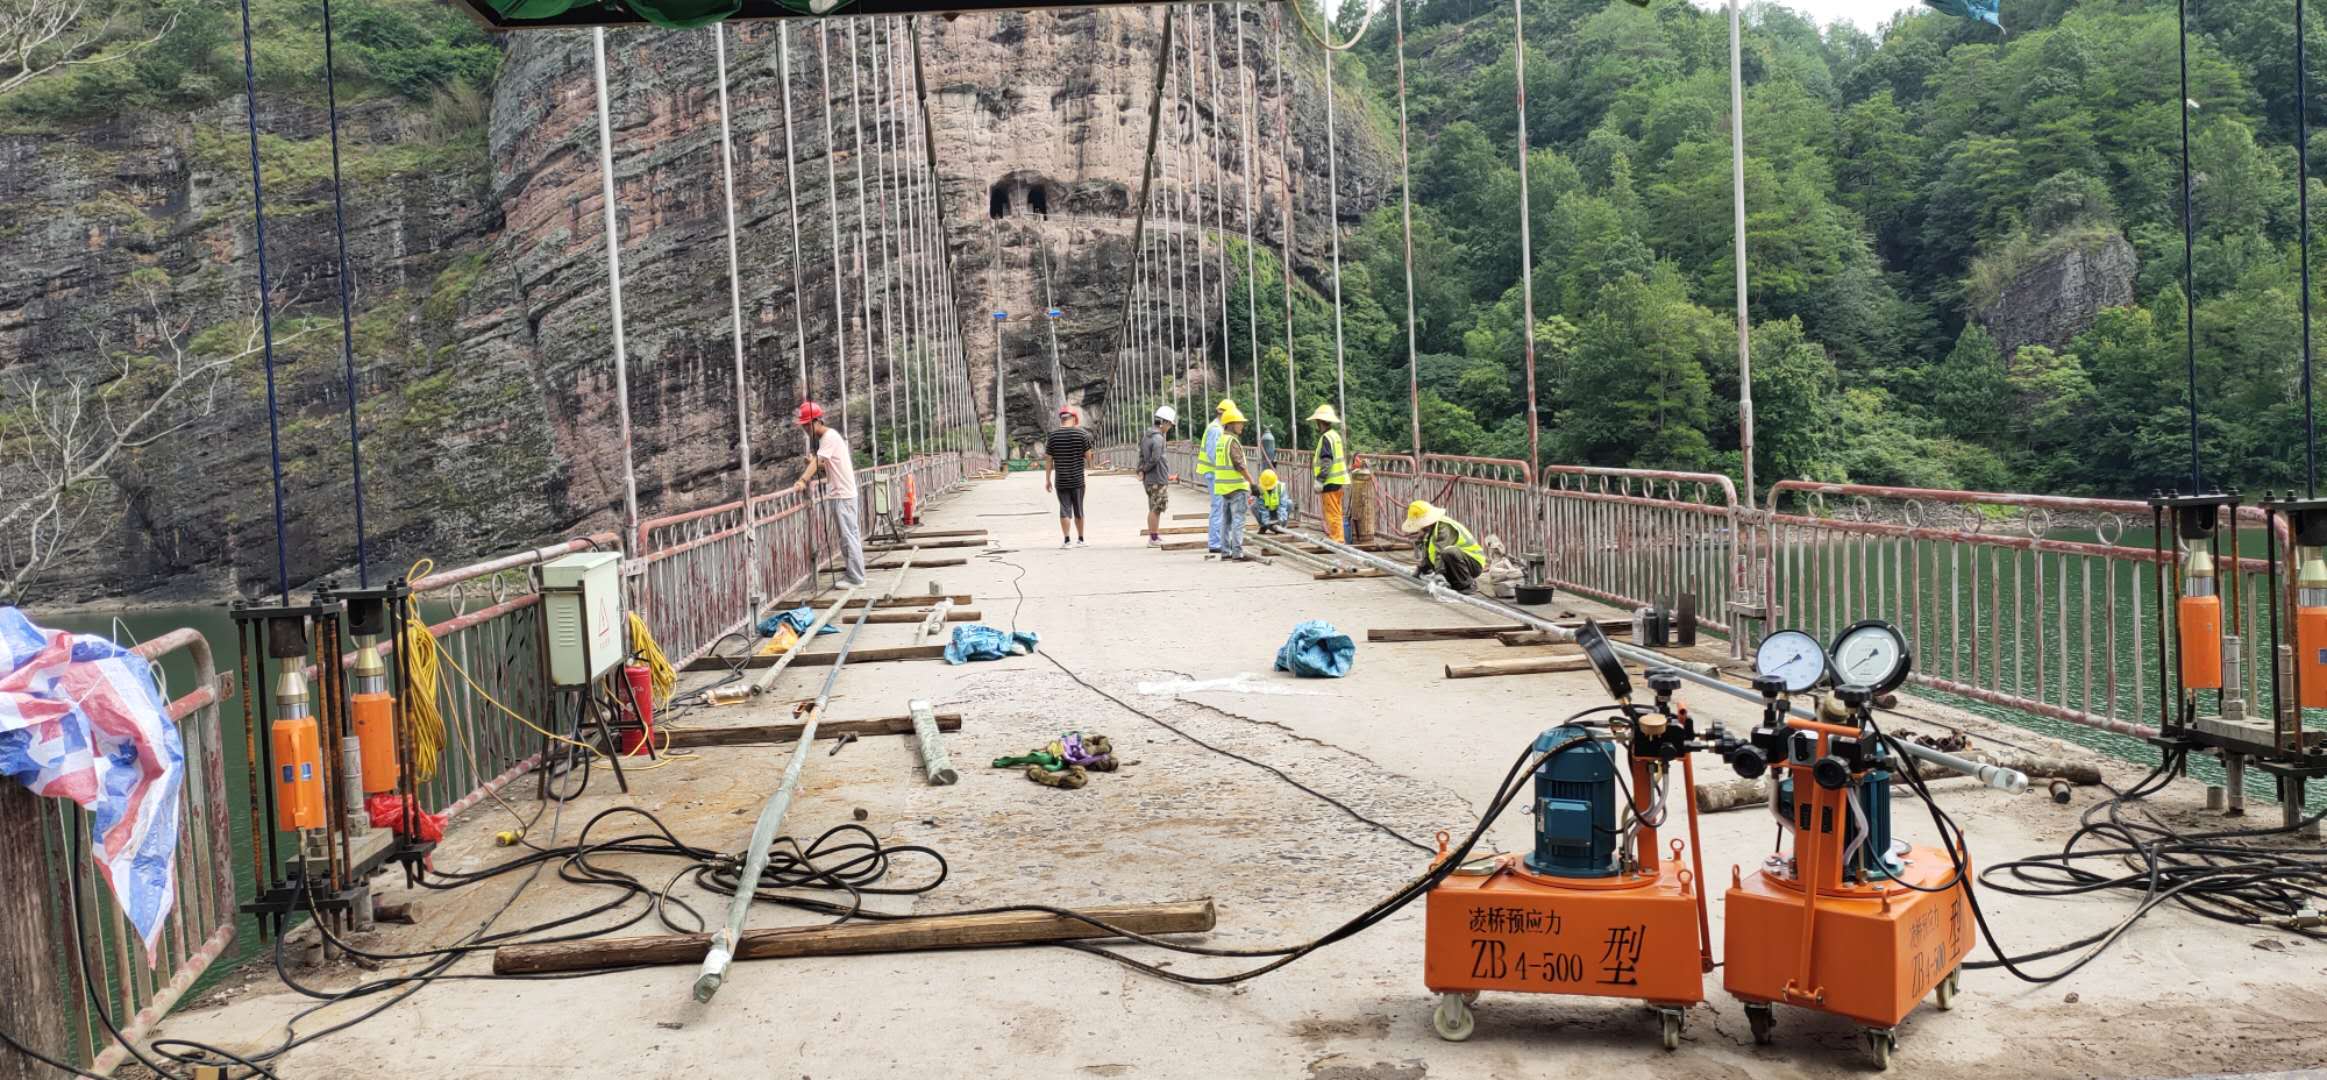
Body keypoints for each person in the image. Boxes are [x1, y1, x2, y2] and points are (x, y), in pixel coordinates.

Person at [791, 401, 864, 586]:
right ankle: (853, 575)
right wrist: (814, 463)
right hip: (843, 494)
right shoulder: (829, 438)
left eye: (807, 425)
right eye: (804, 426)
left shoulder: (829, 437)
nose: (806, 429)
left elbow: (818, 462)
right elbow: (826, 464)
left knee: (849, 537)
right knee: (848, 536)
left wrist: (802, 480)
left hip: (843, 495)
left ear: (817, 421)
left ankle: (856, 577)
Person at [1399, 500, 1486, 594]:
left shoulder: (1445, 527)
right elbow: (1430, 553)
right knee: (1447, 555)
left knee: (1449, 552)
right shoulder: (1431, 530)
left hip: (1472, 563)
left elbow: (1440, 551)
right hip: (1458, 565)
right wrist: (1421, 568)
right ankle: (1457, 584)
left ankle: (1468, 585)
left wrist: (1439, 573)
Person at [1210, 402, 1260, 561]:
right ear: (1231, 424)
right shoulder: (1232, 442)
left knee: (1226, 521)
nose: (1242, 426)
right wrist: (1252, 483)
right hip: (1237, 487)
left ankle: (1225, 552)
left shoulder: (1221, 441)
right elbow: (1239, 465)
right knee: (1238, 521)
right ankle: (1237, 553)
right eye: (1239, 423)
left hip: (1224, 488)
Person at [1043, 405, 1095, 547]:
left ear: (1061, 419)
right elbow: (1089, 458)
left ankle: (1067, 541)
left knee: (1064, 509)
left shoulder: (1052, 437)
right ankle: (1081, 539)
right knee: (1079, 509)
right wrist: (1088, 460)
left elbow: (1048, 460)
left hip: (1061, 480)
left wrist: (1047, 480)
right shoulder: (1082, 435)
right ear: (1074, 418)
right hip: (1078, 480)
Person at [1199, 399, 1237, 555]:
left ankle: (1220, 541)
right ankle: (1215, 543)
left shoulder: (1217, 428)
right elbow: (1213, 454)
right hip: (1214, 473)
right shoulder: (1215, 430)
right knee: (1218, 506)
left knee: (1221, 506)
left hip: (1215, 473)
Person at [1309, 404, 1351, 542]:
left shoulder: (1326, 438)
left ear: (1320, 422)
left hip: (1330, 481)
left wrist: (1320, 480)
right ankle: (1338, 538)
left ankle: (1337, 540)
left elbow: (1327, 460)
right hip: (1338, 481)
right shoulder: (1335, 435)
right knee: (1336, 512)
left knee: (1332, 513)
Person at [1140, 404, 1176, 545]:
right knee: (1156, 508)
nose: (1170, 427)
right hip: (1157, 477)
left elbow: (1141, 455)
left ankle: (1154, 535)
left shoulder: (1146, 436)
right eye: (1170, 424)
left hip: (1150, 479)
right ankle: (1153, 538)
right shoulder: (1158, 439)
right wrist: (1145, 469)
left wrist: (1141, 470)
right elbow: (1155, 459)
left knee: (1153, 507)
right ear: (1164, 422)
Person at [1252, 469, 1290, 534]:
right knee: (1254, 506)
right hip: (1267, 512)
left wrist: (1280, 520)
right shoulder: (1260, 489)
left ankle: (1282, 526)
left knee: (1289, 503)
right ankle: (1263, 526)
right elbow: (1262, 508)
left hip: (1277, 512)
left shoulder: (1280, 487)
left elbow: (1282, 506)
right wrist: (1266, 522)